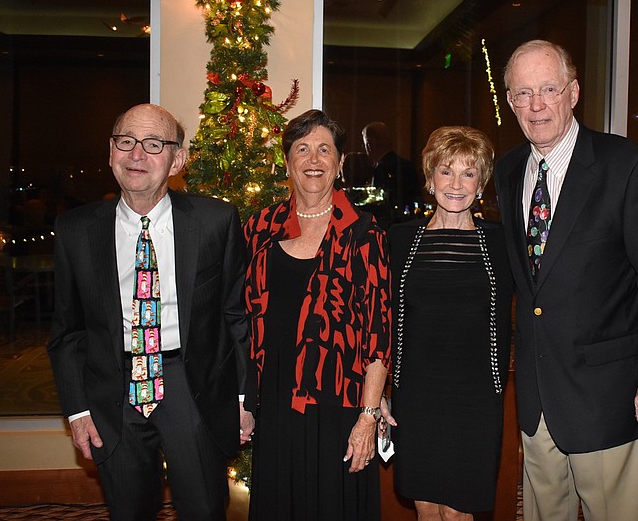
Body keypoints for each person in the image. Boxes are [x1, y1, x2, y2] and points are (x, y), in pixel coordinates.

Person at [494, 40, 638, 521]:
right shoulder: (508, 169)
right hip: (537, 399)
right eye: (522, 93)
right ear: (510, 100)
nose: (536, 105)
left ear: (573, 92)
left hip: (610, 398)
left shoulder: (627, 167)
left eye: (548, 89)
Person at [47, 103, 254, 521]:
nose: (136, 154)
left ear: (177, 159)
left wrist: (244, 397)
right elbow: (67, 332)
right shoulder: (75, 231)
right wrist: (78, 410)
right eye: (126, 142)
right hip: (112, 395)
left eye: (153, 144)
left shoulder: (216, 221)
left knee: (204, 510)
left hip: (191, 388)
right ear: (111, 152)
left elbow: (237, 316)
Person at [243, 109, 392, 520]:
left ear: (340, 163)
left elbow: (380, 336)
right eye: (302, 149)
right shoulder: (260, 228)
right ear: (287, 161)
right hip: (275, 403)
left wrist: (368, 415)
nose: (313, 159)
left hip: (340, 406)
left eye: (324, 149)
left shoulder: (365, 233)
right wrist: (245, 398)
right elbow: (242, 320)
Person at [383, 126, 513, 520]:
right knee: (425, 506)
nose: (456, 184)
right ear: (428, 179)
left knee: (459, 512)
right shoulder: (399, 240)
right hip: (417, 395)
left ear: (481, 183)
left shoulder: (503, 243)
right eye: (445, 171)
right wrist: (380, 391)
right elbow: (380, 318)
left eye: (468, 173)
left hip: (475, 399)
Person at [362, 121, 423, 223]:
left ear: (369, 145)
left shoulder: (381, 169)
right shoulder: (407, 165)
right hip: (411, 222)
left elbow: (380, 205)